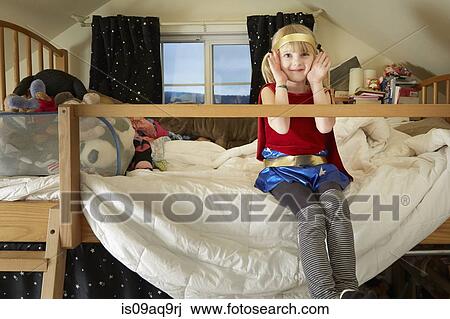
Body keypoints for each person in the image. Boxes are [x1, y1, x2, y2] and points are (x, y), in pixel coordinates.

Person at [255, 24, 362, 299]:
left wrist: (316, 83)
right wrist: (279, 82)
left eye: (303, 55)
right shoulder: (268, 91)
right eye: (287, 56)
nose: (296, 63)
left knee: (336, 206)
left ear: (316, 58)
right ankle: (324, 295)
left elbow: (325, 127)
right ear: (275, 59)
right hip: (282, 172)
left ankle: (348, 288)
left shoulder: (322, 91)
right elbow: (280, 126)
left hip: (319, 167)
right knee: (312, 215)